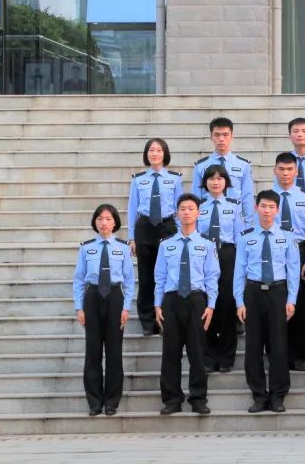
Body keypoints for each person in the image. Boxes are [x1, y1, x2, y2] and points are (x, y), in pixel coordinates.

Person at [233, 190, 300, 413]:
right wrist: (239, 301)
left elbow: (293, 271)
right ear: (256, 208)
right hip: (253, 292)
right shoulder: (246, 236)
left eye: (271, 207)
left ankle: (278, 395)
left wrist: (291, 300)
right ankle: (259, 395)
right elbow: (239, 271)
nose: (267, 211)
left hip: (278, 292)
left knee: (278, 346)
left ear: (277, 210)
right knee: (253, 346)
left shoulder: (288, 236)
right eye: (263, 206)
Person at [155, 194, 219, 415]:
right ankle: (172, 399)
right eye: (182, 209)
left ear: (198, 213)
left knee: (197, 351)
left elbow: (212, 277)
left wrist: (211, 305)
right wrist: (157, 304)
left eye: (191, 209)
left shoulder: (207, 244)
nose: (187, 212)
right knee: (170, 352)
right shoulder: (166, 245)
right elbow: (160, 277)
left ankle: (198, 398)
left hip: (196, 300)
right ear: (176, 214)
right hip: (172, 300)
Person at [73, 204, 134, 416]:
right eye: (99, 219)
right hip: (92, 297)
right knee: (93, 351)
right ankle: (94, 402)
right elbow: (79, 280)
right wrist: (79, 307)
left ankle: (111, 401)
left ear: (115, 222)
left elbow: (129, 281)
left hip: (115, 297)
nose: (104, 223)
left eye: (108, 219)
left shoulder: (123, 248)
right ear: (95, 222)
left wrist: (126, 307)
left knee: (114, 352)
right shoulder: (86, 248)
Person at [271, 151, 305, 371]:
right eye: (281, 169)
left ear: (296, 171)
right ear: (275, 170)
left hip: (299, 251)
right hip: (273, 251)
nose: (285, 173)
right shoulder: (267, 197)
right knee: (275, 303)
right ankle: (275, 354)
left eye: (290, 169)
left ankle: (297, 355)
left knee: (298, 304)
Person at [127, 138, 182, 336]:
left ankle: (166, 318)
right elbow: (132, 208)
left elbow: (179, 208)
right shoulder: (138, 179)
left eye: (159, 150)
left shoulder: (175, 179)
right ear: (146, 154)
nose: (155, 153)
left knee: (168, 274)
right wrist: (131, 237)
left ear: (165, 154)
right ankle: (148, 322)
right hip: (145, 227)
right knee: (146, 275)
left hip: (167, 227)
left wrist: (180, 233)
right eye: (151, 150)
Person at [198, 164, 246, 373]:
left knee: (227, 304)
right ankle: (209, 357)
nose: (215, 182)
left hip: (227, 254)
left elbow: (240, 238)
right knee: (206, 303)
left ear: (226, 182)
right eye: (211, 178)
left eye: (219, 178)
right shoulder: (198, 206)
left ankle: (226, 357)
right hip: (203, 255)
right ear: (205, 182)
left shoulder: (234, 206)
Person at [193, 117, 254, 224]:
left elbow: (247, 196)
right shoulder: (201, 166)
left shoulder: (243, 165)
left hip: (235, 219)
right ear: (211, 137)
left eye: (225, 135)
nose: (221, 139)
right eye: (217, 135)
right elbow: (196, 197)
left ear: (231, 136)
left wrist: (248, 223)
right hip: (208, 219)